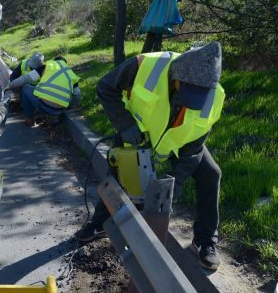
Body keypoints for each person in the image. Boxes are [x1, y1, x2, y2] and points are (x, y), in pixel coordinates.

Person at [79, 42, 225, 271]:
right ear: (177, 75)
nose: (191, 102)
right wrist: (125, 125)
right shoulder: (145, 66)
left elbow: (194, 149)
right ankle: (99, 223)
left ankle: (204, 242)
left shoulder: (214, 98)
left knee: (211, 175)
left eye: (199, 96)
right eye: (188, 92)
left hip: (180, 143)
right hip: (137, 134)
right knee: (118, 173)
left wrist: (173, 186)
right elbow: (105, 87)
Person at [10, 56, 81, 127]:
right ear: (65, 64)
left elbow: (26, 79)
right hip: (59, 110)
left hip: (43, 106)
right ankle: (51, 119)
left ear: (54, 61)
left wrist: (11, 85)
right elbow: (77, 95)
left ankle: (29, 119)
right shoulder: (70, 74)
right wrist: (68, 108)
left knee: (26, 88)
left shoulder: (47, 66)